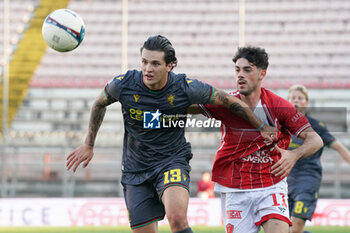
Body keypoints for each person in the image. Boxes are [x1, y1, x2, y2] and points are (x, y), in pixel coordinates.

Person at [65, 35, 276, 233]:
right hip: (135, 171)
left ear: (169, 65)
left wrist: (260, 126)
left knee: (176, 219)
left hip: (171, 161)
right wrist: (89, 144)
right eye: (144, 62)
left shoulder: (185, 87)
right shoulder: (124, 84)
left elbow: (229, 101)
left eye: (155, 63)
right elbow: (99, 104)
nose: (148, 69)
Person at [188, 46, 323, 233]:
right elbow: (187, 106)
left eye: (247, 69)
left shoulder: (279, 106)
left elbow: (315, 139)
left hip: (271, 183)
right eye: (237, 70)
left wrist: (294, 155)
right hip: (235, 186)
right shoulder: (225, 103)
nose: (240, 75)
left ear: (262, 73)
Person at [287, 84, 350, 233]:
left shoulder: (316, 126)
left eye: (300, 98)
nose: (296, 101)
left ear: (306, 103)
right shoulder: (282, 126)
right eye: (293, 98)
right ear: (288, 102)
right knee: (284, 229)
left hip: (307, 179)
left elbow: (339, 147)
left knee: (295, 227)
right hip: (286, 181)